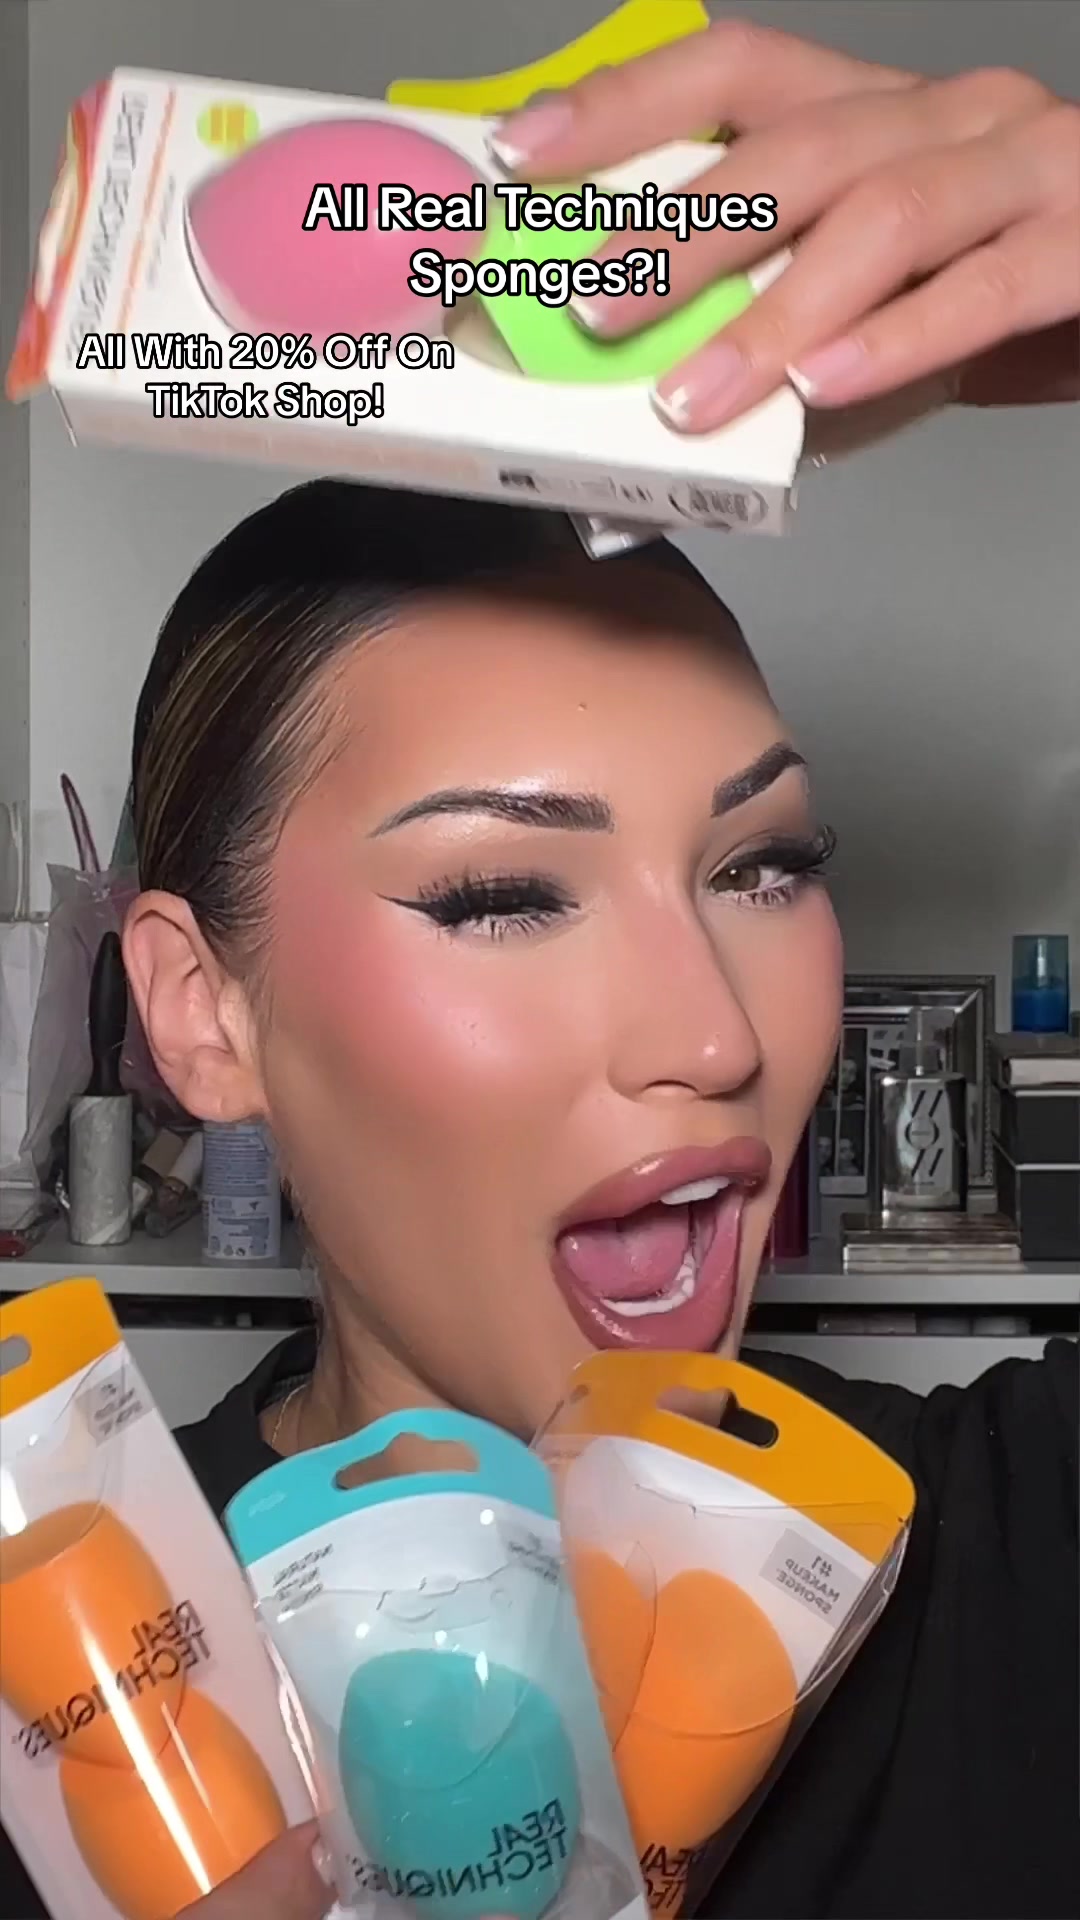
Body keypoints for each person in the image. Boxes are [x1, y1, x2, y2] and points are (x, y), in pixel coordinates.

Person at [2, 18, 1075, 1920]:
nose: (717, 1036)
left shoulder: (1017, 1553)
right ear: (201, 1013)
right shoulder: (59, 1666)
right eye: (504, 894)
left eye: (765, 865)